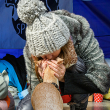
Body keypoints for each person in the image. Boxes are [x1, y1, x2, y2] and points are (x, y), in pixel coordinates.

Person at [16, 0, 110, 110]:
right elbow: (34, 90)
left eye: (52, 52)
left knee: (76, 65)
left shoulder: (80, 32)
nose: (50, 58)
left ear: (63, 43)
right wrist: (40, 76)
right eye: (44, 56)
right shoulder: (32, 47)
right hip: (51, 92)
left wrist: (65, 77)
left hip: (74, 83)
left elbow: (103, 81)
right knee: (25, 108)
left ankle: (79, 102)